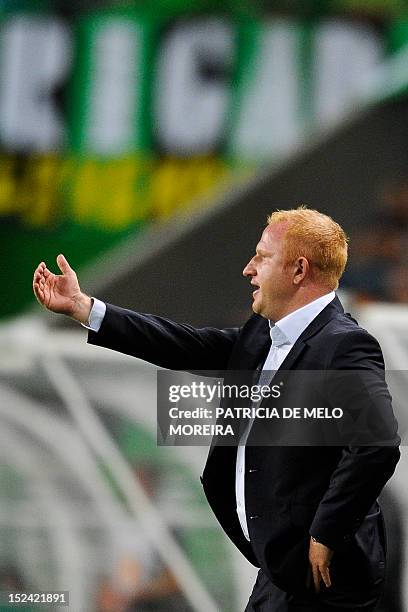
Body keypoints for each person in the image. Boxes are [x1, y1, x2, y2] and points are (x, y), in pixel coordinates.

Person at [33, 206, 400, 611]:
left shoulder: (344, 345)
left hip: (326, 579)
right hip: (279, 574)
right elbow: (185, 344)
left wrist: (326, 533)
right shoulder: (263, 333)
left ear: (299, 270)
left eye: (262, 256)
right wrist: (87, 309)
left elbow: (377, 444)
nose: (248, 269)